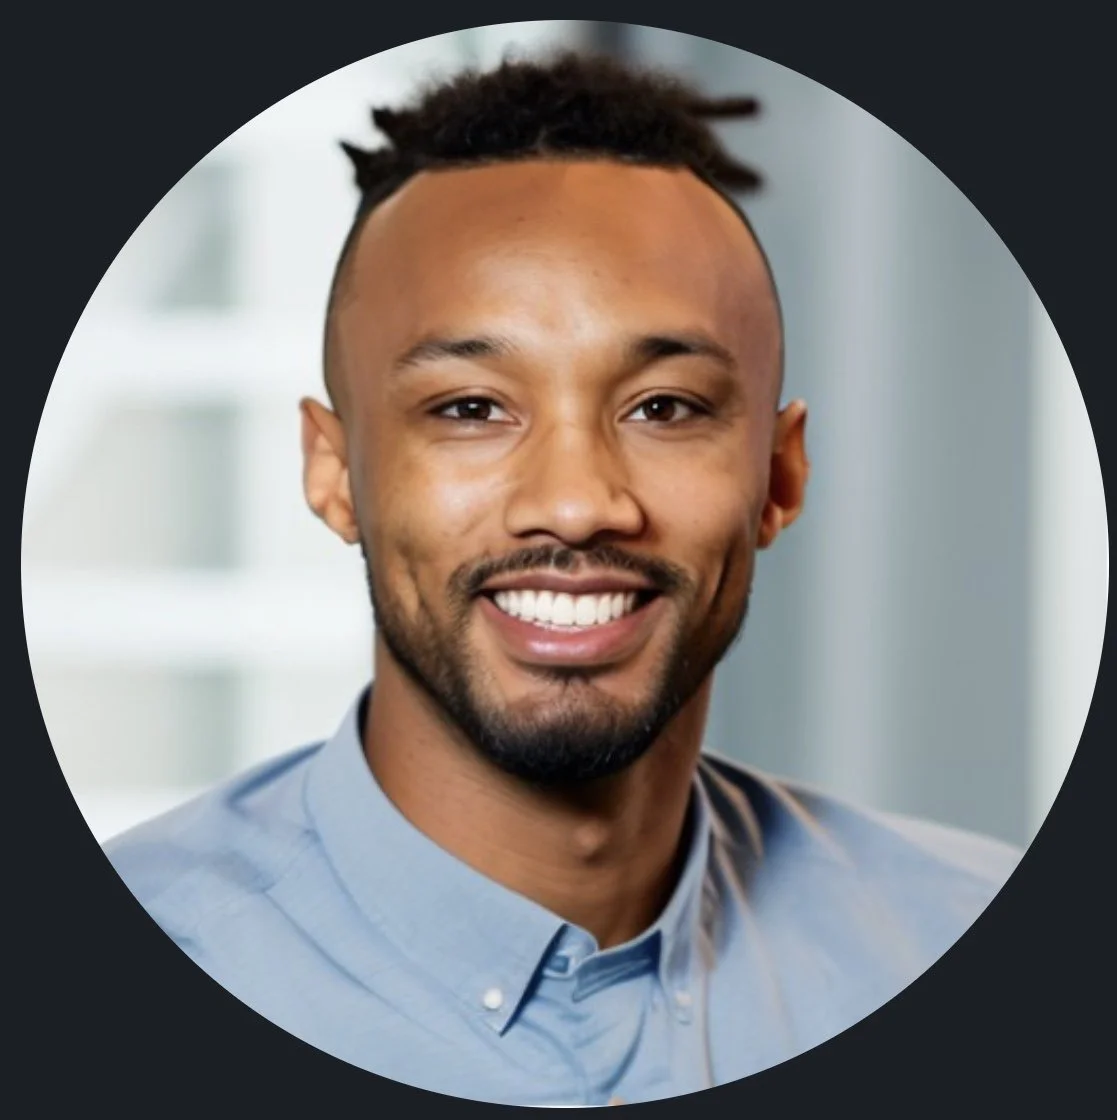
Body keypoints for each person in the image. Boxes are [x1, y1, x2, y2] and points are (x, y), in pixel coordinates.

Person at [104, 51, 1021, 1107]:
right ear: (334, 471)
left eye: (664, 407)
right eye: (470, 408)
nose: (579, 502)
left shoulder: (966, 938)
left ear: (778, 474)